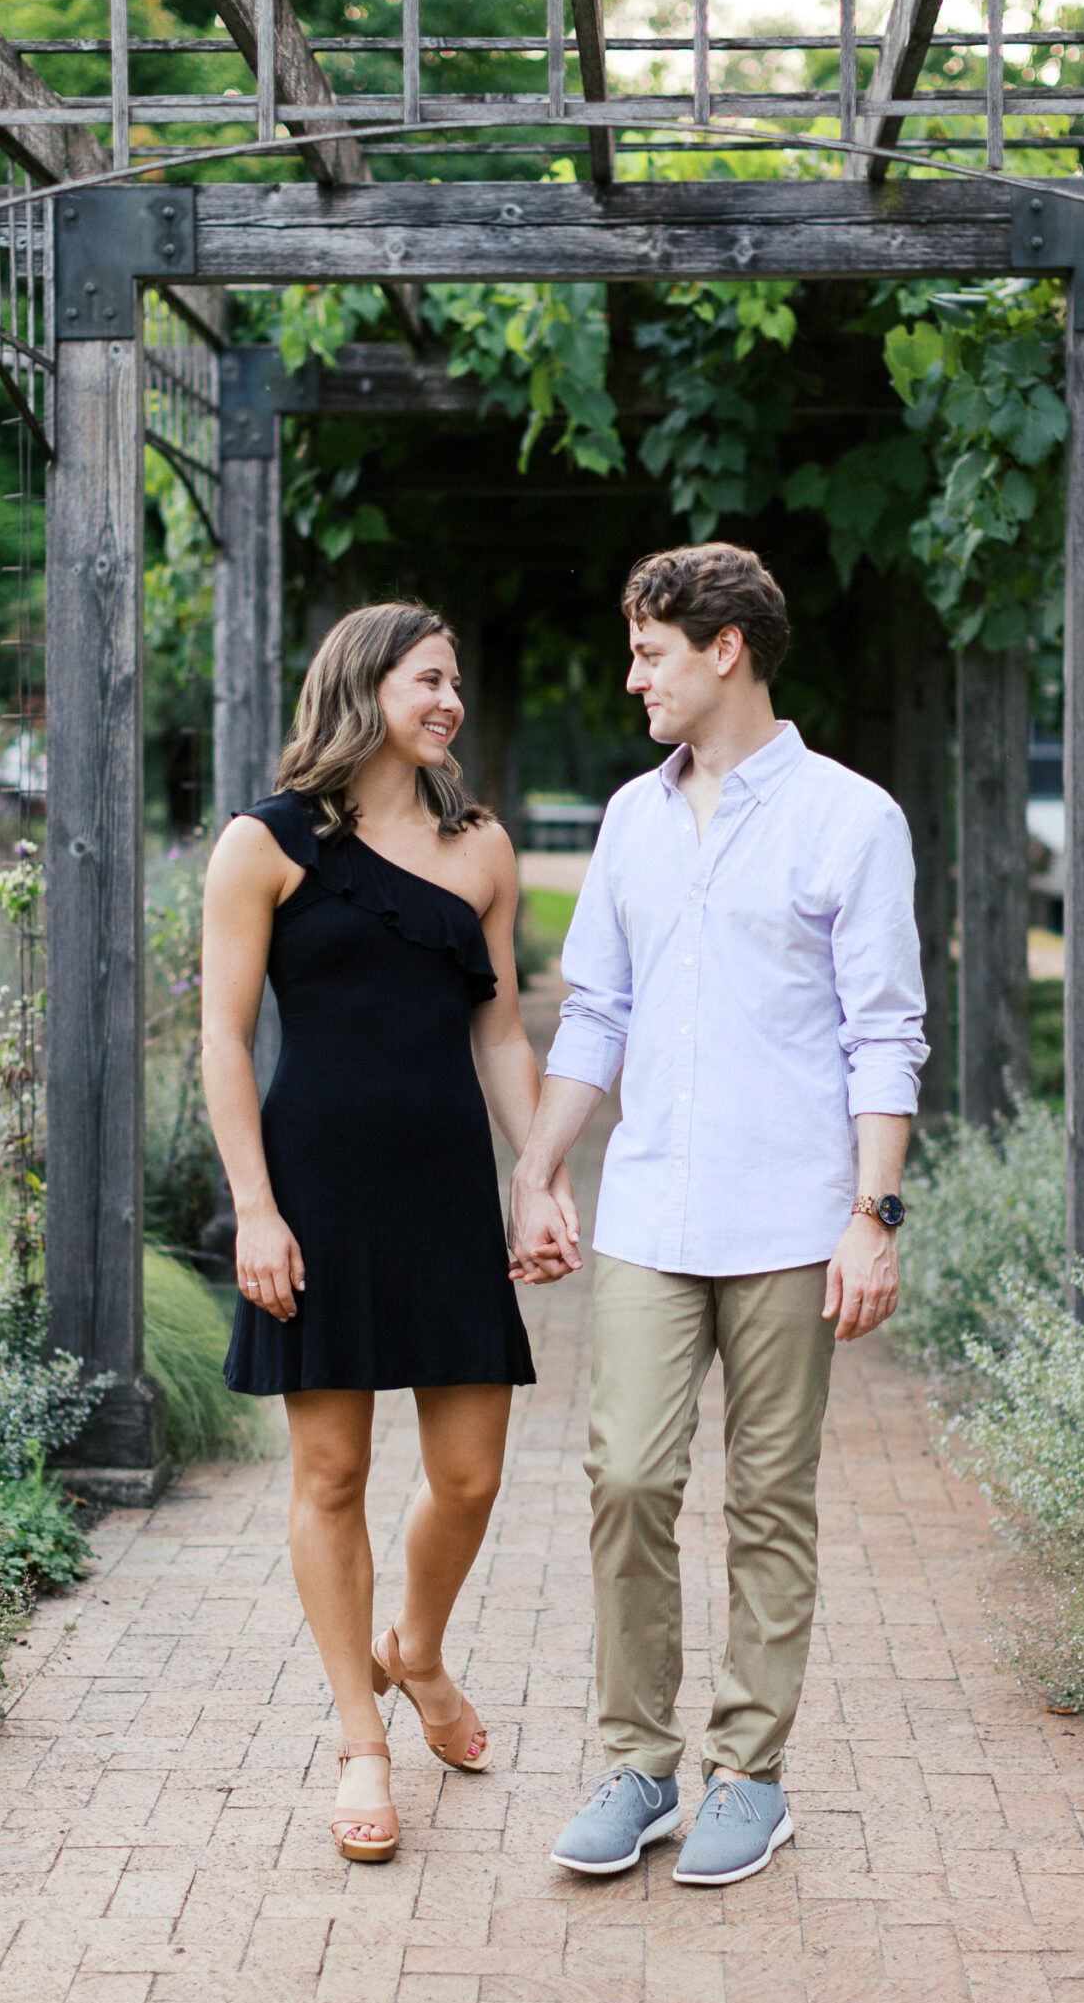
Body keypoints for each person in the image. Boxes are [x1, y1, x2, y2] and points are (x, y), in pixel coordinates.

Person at [509, 543, 927, 1888]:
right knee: (625, 1477)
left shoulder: (847, 819)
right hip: (649, 1210)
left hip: (791, 1215)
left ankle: (749, 1773)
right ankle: (635, 1763)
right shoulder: (630, 818)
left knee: (766, 1498)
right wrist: (540, 1161)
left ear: (722, 649)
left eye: (649, 652)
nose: (632, 677)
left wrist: (873, 1214)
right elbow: (598, 1012)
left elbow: (884, 1033)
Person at [201, 601, 575, 1865]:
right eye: (430, 678)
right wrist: (254, 1206)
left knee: (470, 1473)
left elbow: (499, 1033)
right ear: (364, 685)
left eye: (457, 681)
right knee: (334, 1477)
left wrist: (539, 1172)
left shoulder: (481, 850)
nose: (450, 700)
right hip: (314, 1191)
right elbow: (222, 1042)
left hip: (442, 1193)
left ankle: (413, 1648)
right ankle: (361, 1735)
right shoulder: (263, 844)